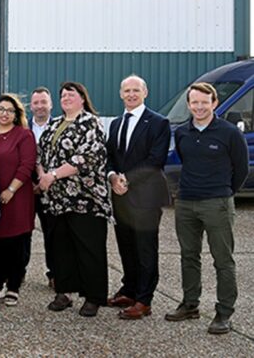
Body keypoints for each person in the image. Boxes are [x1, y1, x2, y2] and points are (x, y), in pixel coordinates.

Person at [166, 82, 247, 335]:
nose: (199, 107)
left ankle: (224, 313)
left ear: (214, 103)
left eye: (204, 102)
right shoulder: (182, 133)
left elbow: (241, 169)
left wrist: (224, 192)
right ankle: (190, 304)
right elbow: (185, 159)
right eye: (194, 102)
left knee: (223, 260)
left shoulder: (230, 132)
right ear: (189, 105)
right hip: (186, 202)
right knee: (189, 256)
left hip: (217, 203)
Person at [37, 82, 110, 317]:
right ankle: (65, 292)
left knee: (89, 249)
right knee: (61, 248)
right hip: (57, 200)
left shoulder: (91, 122)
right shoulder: (55, 124)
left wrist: (53, 175)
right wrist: (42, 176)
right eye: (63, 95)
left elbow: (87, 157)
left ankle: (93, 297)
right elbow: (40, 153)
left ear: (82, 98)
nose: (66, 98)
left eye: (71, 94)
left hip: (85, 198)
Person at [105, 75, 170, 320]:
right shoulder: (116, 123)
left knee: (145, 249)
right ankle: (129, 289)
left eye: (136, 90)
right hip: (120, 196)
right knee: (126, 247)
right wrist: (112, 177)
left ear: (145, 92)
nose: (131, 94)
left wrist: (127, 180)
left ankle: (144, 300)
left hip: (146, 196)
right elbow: (109, 155)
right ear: (121, 94)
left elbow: (156, 160)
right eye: (127, 91)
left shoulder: (158, 123)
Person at [0, 93, 36, 306]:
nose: (4, 113)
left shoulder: (24, 135)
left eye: (9, 110)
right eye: (1, 109)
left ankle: (13, 286)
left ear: (16, 114)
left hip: (18, 196)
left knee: (17, 243)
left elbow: (27, 164)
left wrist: (11, 189)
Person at [28, 87, 55, 287]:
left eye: (43, 102)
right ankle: (17, 273)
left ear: (50, 104)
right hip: (25, 189)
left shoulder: (60, 126)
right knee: (22, 233)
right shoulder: (21, 128)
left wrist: (46, 180)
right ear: (31, 106)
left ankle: (54, 273)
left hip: (52, 190)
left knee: (53, 233)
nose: (40, 107)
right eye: (36, 103)